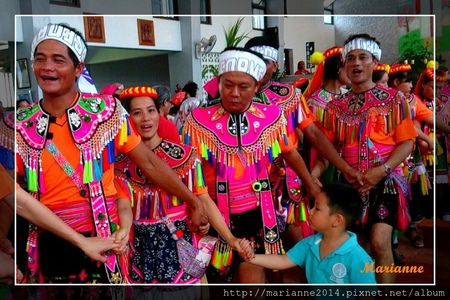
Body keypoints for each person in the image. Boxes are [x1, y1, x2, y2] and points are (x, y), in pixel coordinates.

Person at [15, 23, 207, 284]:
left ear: (78, 68)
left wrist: (193, 201)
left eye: (58, 60)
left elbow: (149, 163)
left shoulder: (106, 113)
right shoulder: (19, 124)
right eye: (40, 59)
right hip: (50, 238)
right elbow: (9, 192)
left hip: (105, 233)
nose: (47, 66)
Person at [183, 47, 321, 283]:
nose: (234, 93)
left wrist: (312, 185)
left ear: (256, 86)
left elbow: (290, 154)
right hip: (214, 215)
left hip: (257, 214)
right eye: (227, 85)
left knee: (253, 282)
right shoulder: (197, 121)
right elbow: (194, 183)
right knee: (218, 284)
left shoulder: (273, 117)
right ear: (219, 83)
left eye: (244, 86)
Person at [116, 86, 249, 283]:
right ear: (128, 118)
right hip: (140, 254)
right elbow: (123, 204)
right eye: (137, 112)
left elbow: (203, 198)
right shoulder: (120, 164)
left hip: (181, 250)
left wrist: (230, 239)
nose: (146, 118)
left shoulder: (185, 156)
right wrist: (124, 231)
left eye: (151, 110)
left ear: (160, 113)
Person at [318, 33, 417, 283]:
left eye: (363, 57)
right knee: (357, 247)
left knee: (379, 242)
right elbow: (327, 147)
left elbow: (407, 143)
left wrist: (381, 170)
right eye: (350, 58)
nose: (356, 63)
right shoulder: (335, 106)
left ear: (375, 62)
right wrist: (315, 177)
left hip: (385, 180)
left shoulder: (395, 100)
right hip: (350, 182)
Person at [240, 183, 376, 284]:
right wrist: (251, 257)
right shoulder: (310, 244)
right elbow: (283, 260)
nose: (310, 211)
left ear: (337, 220)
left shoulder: (359, 259)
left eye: (317, 208)